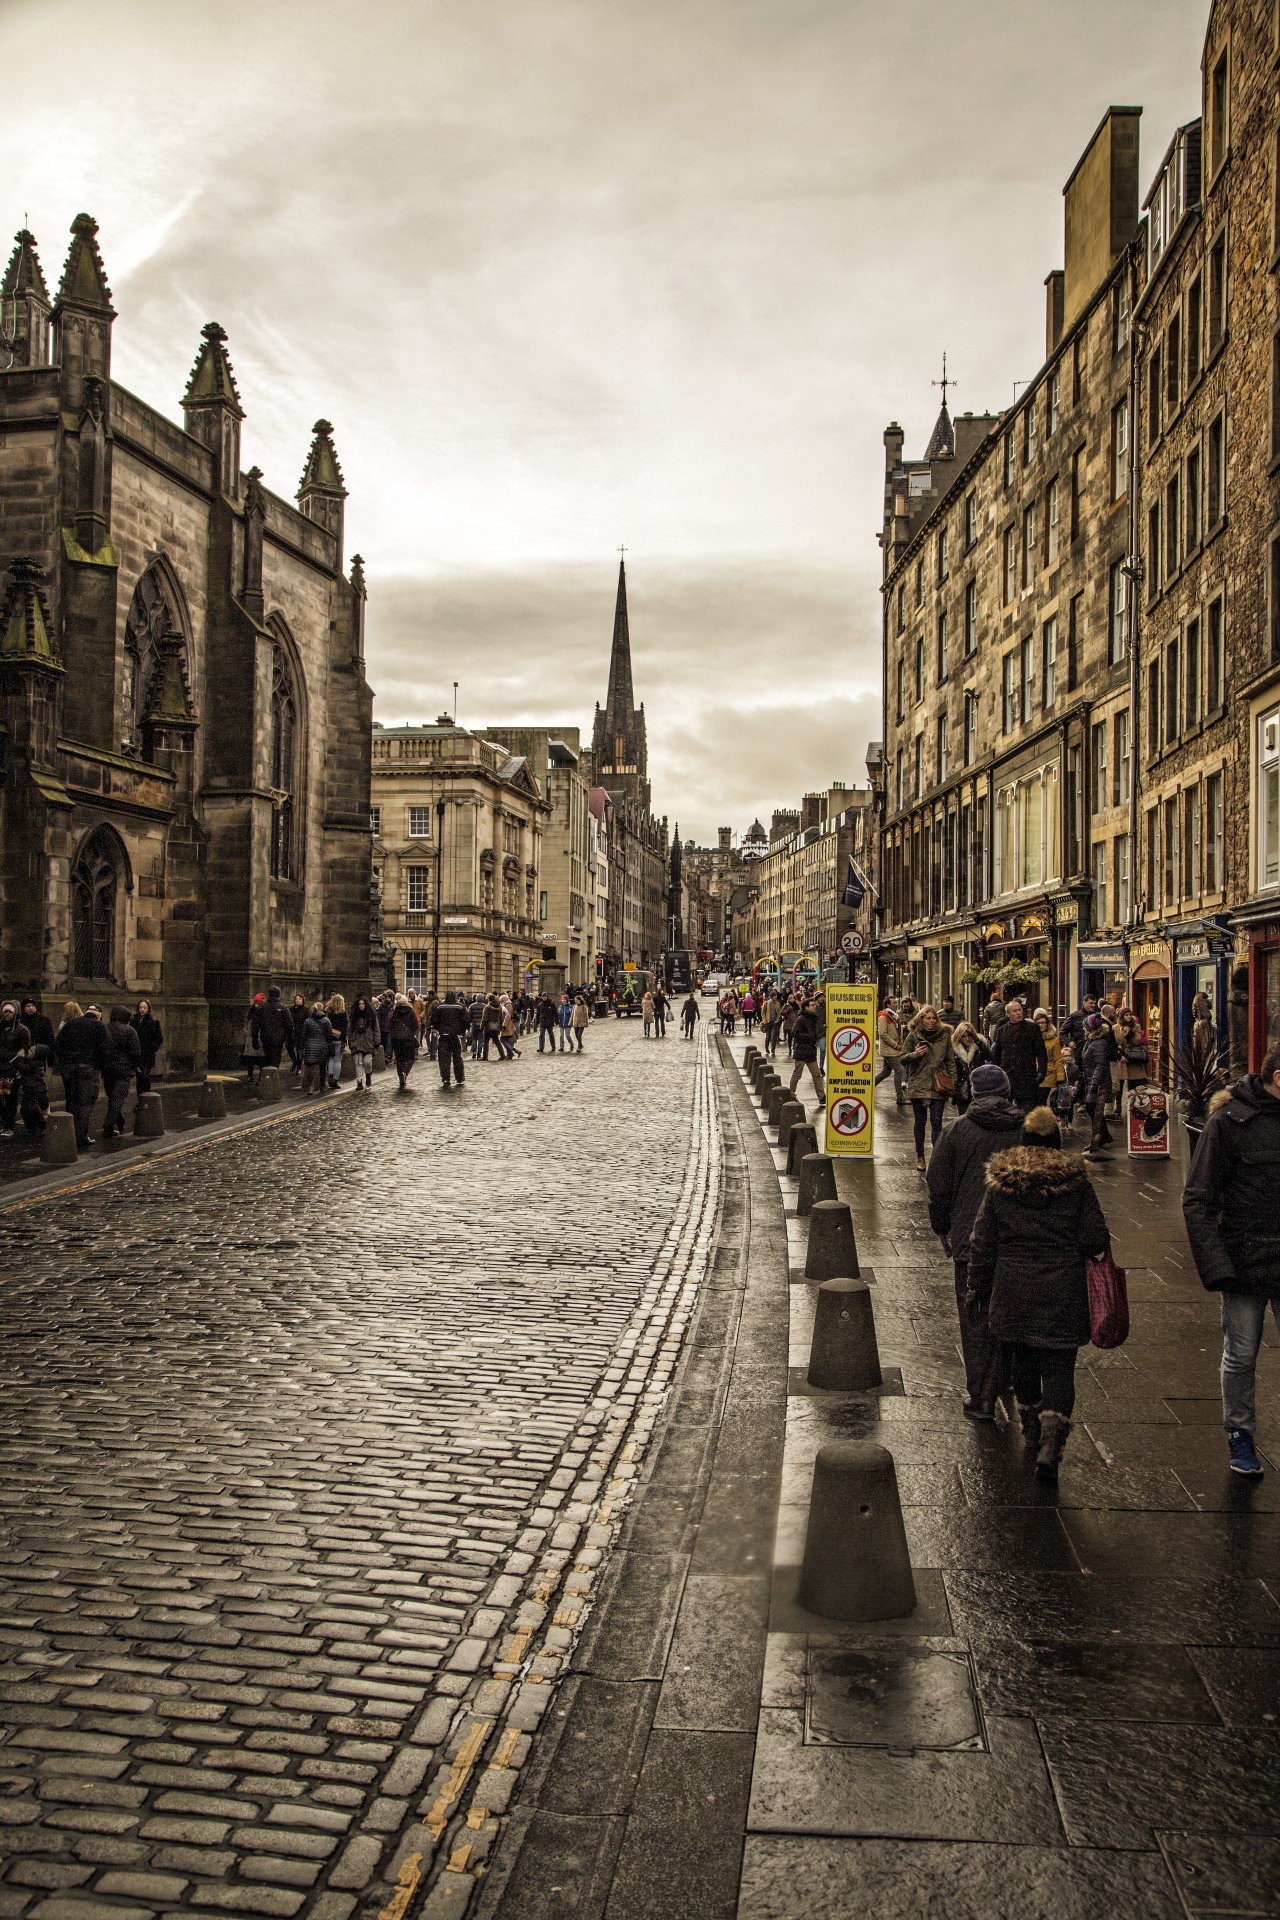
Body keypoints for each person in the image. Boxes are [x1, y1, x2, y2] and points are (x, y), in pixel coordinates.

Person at [966, 1104, 1111, 1481]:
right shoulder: (1077, 1184)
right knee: (1059, 1366)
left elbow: (983, 1241)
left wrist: (977, 1286)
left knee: (1023, 1361)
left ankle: (1031, 1429)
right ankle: (1051, 1441)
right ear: (1058, 1143)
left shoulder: (1001, 1185)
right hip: (1063, 1290)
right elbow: (1094, 1238)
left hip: (1013, 1288)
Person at [1182, 1040, 1280, 1478]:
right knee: (1241, 1354)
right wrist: (1216, 1266)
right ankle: (1240, 1435)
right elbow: (1197, 1198)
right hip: (1245, 1260)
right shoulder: (1229, 1123)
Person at [927, 1062, 1026, 1418]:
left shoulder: (956, 1131)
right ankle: (1012, 1379)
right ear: (1007, 1091)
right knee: (1016, 1313)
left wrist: (942, 1227)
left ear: (974, 1092)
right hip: (1020, 1240)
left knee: (975, 1316)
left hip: (971, 1238)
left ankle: (983, 1395)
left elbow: (937, 1187)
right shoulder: (1028, 1129)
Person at [904, 1004, 957, 1171]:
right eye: (928, 1018)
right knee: (920, 1122)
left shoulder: (945, 1037)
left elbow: (950, 1061)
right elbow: (902, 1058)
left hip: (938, 1085)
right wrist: (914, 1055)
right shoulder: (913, 1036)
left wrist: (953, 1082)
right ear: (921, 1019)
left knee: (936, 1122)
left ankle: (936, 1157)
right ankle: (920, 1156)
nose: (931, 1021)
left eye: (934, 1018)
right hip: (919, 1084)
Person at [54, 1003, 112, 1148]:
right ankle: (80, 1136)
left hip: (68, 1067)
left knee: (72, 1101)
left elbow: (58, 1045)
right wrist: (98, 1065)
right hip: (87, 1067)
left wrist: (65, 1061)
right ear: (98, 1015)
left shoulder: (70, 1024)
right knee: (85, 1102)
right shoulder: (99, 1026)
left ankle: (70, 1134)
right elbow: (107, 1049)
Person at [991, 998, 1048, 1112]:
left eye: (1020, 1010)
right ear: (1008, 1014)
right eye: (1014, 1011)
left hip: (1026, 1078)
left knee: (1026, 1113)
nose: (1018, 1013)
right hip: (1007, 1077)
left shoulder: (1032, 1028)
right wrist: (996, 1073)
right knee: (1004, 1111)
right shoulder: (1002, 1030)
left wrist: (1041, 1072)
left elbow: (1041, 1052)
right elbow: (997, 1054)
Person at [1080, 1013, 1118, 1158]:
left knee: (1092, 1108)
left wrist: (1094, 1084)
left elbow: (1101, 1066)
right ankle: (1103, 1136)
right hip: (1091, 1080)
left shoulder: (1099, 1043)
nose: (1083, 1029)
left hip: (1097, 1083)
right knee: (1093, 1109)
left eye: (1084, 1026)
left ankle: (1099, 1138)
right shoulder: (1091, 1041)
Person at [101, 1005, 141, 1138]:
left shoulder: (104, 1028)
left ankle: (118, 1120)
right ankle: (108, 1126)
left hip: (107, 1068)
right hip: (123, 1069)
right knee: (118, 1098)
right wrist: (134, 1067)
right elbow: (136, 1052)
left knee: (112, 1096)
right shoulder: (129, 1031)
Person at [0, 1003, 32, 1138]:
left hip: (12, 1069)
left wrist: (17, 1065)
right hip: (0, 1066)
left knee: (10, 1097)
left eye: (10, 1012)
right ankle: (4, 1120)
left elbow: (25, 1050)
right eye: (5, 1011)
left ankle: (8, 1125)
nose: (7, 1014)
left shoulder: (21, 1030)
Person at [788, 994, 826, 1109]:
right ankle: (791, 1094)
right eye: (812, 1005)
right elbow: (794, 1033)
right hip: (802, 1050)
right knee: (797, 1074)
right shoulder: (801, 1019)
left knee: (817, 1074)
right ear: (806, 1007)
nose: (814, 1006)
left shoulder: (813, 1018)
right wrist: (808, 1036)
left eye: (814, 1005)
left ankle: (821, 1097)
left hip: (810, 1051)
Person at [950, 1021, 991, 1114]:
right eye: (964, 1036)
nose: (967, 1039)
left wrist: (977, 1040)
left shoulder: (979, 1046)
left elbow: (990, 1057)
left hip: (978, 1087)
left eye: (969, 1036)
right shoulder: (954, 1049)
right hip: (962, 1089)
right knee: (963, 1116)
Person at [431, 990, 469, 1088]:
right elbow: (466, 1020)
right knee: (457, 1057)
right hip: (456, 1035)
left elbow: (434, 1020)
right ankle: (459, 1077)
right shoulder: (460, 1007)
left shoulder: (440, 1007)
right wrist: (462, 1031)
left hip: (444, 1035)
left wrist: (439, 1029)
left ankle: (445, 1078)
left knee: (444, 1058)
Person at [14, 1042, 50, 1140]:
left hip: (36, 1091)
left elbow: (23, 1068)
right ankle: (31, 1128)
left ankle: (41, 1126)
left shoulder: (35, 1064)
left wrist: (19, 1058)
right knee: (25, 1110)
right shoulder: (31, 1062)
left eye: (30, 1051)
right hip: (28, 1091)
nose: (28, 1052)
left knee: (32, 1109)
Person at [875, 996, 906, 1104]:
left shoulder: (893, 1016)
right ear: (888, 1005)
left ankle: (868, 1088)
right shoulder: (883, 1016)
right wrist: (895, 1045)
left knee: (886, 1072)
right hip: (889, 1049)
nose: (896, 1004)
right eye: (894, 1003)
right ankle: (900, 1097)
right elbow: (883, 1033)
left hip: (891, 1048)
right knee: (899, 1070)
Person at [131, 998, 164, 1096]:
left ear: (148, 1009)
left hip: (147, 1055)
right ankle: (141, 1099)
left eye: (144, 1007)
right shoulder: (133, 1021)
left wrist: (151, 1047)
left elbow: (159, 1038)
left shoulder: (153, 1022)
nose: (142, 1009)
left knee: (144, 1077)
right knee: (139, 1078)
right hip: (137, 1054)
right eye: (140, 1007)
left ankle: (146, 1098)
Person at [302, 1001, 336, 1095]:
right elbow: (329, 1035)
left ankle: (311, 1087)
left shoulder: (307, 1021)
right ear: (322, 1009)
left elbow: (304, 1035)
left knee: (309, 1067)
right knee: (322, 1067)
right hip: (322, 1046)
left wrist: (302, 1046)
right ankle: (322, 1085)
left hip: (310, 1046)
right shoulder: (326, 1020)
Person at [348, 994, 380, 1090]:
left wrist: (377, 1041)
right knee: (358, 1063)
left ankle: (368, 1074)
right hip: (357, 1041)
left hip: (368, 1041)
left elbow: (376, 1029)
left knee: (367, 1062)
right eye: (359, 1004)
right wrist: (350, 1041)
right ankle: (359, 1082)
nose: (361, 1005)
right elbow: (350, 1029)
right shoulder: (354, 1016)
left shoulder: (371, 1015)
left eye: (363, 1004)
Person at [1034, 1008, 1065, 1104]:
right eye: (1038, 1023)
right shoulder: (1032, 1038)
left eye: (1043, 1022)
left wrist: (1060, 1078)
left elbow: (1057, 1059)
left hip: (1048, 1074)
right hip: (1033, 1074)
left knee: (1041, 1102)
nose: (1041, 1025)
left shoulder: (1054, 1040)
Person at [387, 995, 418, 1089]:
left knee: (399, 1058)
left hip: (396, 1039)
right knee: (410, 1058)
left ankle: (401, 1076)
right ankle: (405, 1072)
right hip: (408, 1038)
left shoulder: (393, 1013)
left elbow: (389, 1025)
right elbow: (416, 1025)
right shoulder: (411, 1012)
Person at [325, 993, 349, 1089]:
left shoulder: (328, 1013)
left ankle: (330, 1076)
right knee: (338, 1060)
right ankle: (335, 1079)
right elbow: (345, 1028)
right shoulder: (343, 1014)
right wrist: (344, 1041)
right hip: (339, 1039)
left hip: (331, 1038)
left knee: (331, 1058)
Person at [242, 993, 266, 1083]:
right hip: (250, 1038)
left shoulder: (264, 1012)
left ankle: (261, 1077)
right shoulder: (251, 1012)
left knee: (261, 1060)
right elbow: (246, 1023)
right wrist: (247, 1033)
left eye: (259, 1004)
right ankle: (250, 1075)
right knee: (249, 1059)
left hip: (260, 1039)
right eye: (256, 1003)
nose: (257, 1005)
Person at [290, 992, 310, 1076]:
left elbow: (307, 1021)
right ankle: (294, 1062)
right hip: (292, 1031)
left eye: (299, 999)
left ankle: (299, 1067)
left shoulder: (305, 1010)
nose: (297, 1000)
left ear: (302, 1000)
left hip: (301, 1032)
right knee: (290, 1048)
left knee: (299, 1050)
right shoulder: (291, 1009)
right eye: (296, 999)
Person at [761, 987, 782, 1058]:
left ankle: (773, 1050)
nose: (776, 997)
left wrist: (777, 1019)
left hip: (774, 1022)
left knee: (773, 1036)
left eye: (776, 996)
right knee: (768, 1037)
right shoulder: (766, 1003)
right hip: (768, 1022)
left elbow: (779, 1012)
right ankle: (767, 1049)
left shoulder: (777, 1003)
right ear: (771, 997)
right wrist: (765, 1020)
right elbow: (763, 1012)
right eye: (774, 996)